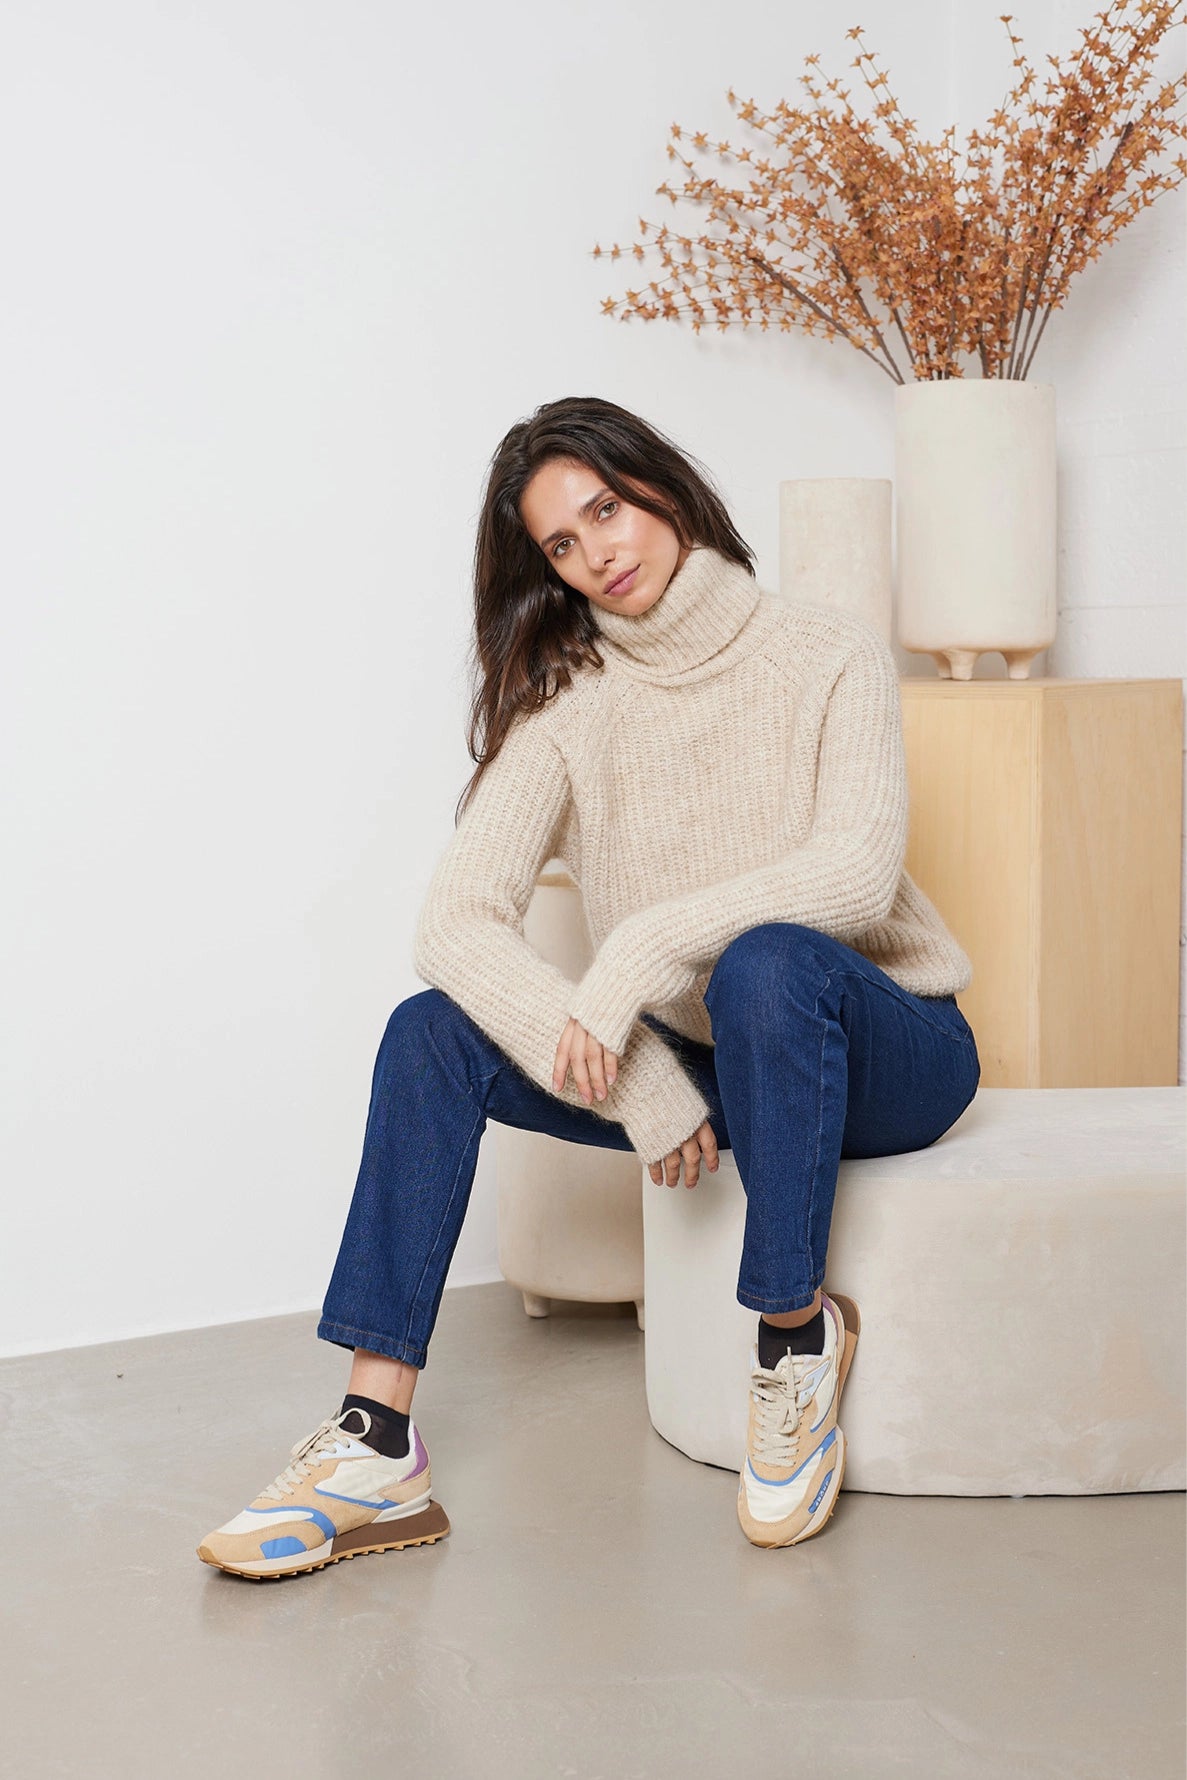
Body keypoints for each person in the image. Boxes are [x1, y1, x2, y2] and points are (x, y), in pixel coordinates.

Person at [197, 395, 980, 1579]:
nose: (596, 552)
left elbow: (855, 872)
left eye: (605, 509)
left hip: (886, 1046)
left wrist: (640, 951)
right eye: (561, 543)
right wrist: (641, 1080)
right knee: (429, 1033)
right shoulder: (571, 706)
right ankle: (374, 1441)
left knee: (767, 959)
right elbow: (452, 922)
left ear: (659, 484)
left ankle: (792, 1338)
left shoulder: (824, 651)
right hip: (718, 1064)